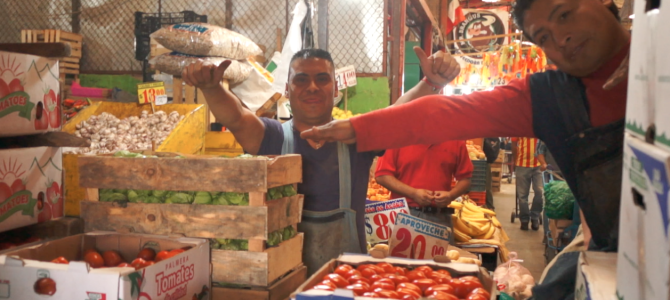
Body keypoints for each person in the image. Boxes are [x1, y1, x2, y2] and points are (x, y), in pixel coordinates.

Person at [301, 0, 629, 296]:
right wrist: (358, 128)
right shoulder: (549, 97)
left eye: (565, 14)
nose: (561, 38)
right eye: (542, 36)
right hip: (611, 260)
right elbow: (442, 114)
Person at [180, 48, 460, 275]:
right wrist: (212, 87)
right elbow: (236, 118)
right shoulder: (273, 136)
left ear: (335, 87)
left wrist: (431, 83)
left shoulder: (356, 137)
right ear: (287, 90)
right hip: (283, 277)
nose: (312, 87)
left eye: (322, 79)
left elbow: (396, 114)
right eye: (301, 79)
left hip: (349, 278)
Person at [374, 140, 473, 240]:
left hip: (440, 218)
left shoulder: (456, 141)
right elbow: (382, 176)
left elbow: (466, 179)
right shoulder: (397, 139)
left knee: (442, 255)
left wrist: (451, 195)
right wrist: (413, 193)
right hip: (404, 216)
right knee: (401, 256)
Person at [512, 137, 545, 230]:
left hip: (539, 165)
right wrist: (515, 161)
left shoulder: (539, 127)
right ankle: (524, 219)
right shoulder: (518, 127)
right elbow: (514, 145)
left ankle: (535, 217)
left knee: (540, 192)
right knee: (522, 196)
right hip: (522, 165)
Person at [482, 137, 502, 210]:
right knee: (487, 185)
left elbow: (492, 155)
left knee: (487, 185)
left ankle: (490, 206)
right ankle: (489, 206)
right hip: (482, 161)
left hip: (485, 162)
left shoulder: (492, 138)